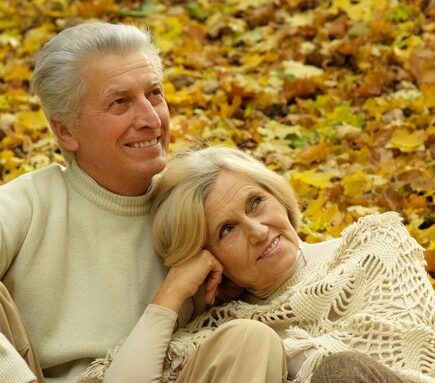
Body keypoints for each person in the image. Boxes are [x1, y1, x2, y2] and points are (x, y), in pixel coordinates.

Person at [0, 22, 286, 383]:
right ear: (66, 131)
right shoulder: (28, 205)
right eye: (120, 102)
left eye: (154, 94)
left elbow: (289, 262)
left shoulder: (190, 207)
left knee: (249, 339)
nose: (151, 119)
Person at [83, 145, 435, 383]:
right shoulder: (230, 329)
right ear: (210, 260)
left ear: (278, 195)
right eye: (227, 231)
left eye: (256, 203)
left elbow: (407, 327)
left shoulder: (373, 246)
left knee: (342, 372)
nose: (258, 231)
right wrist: (169, 296)